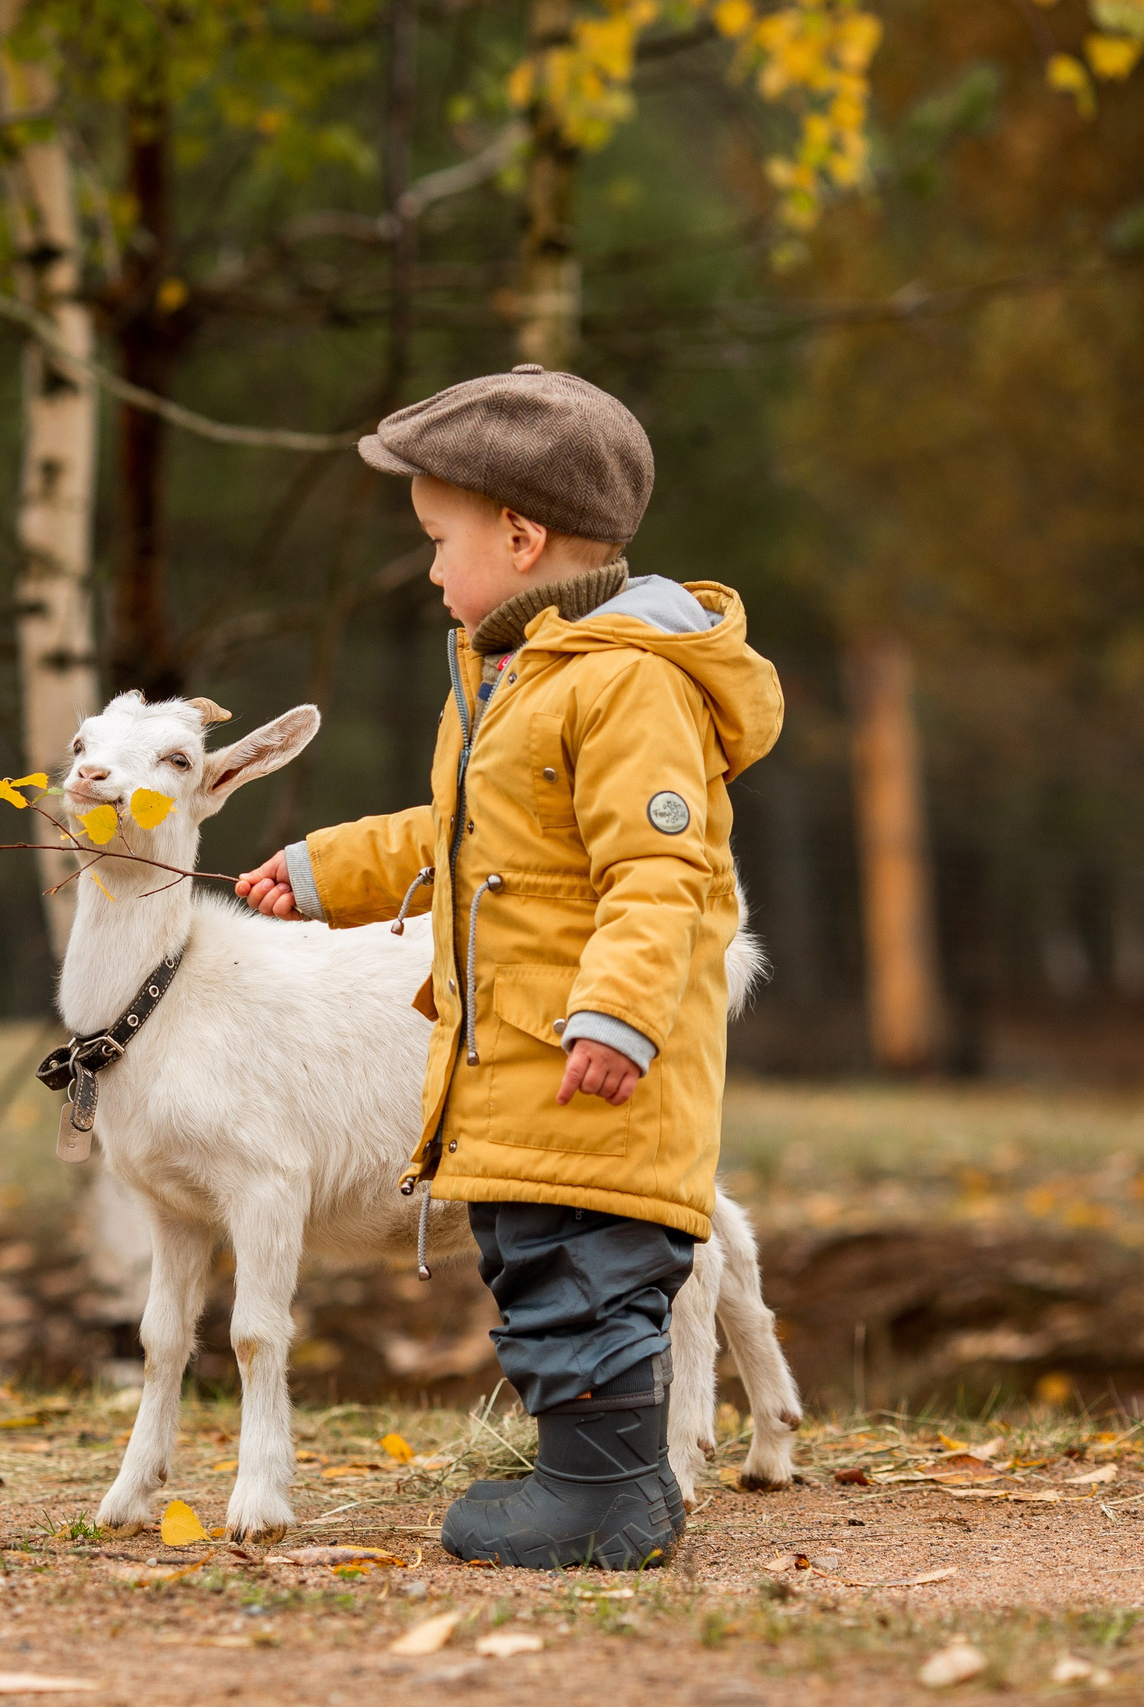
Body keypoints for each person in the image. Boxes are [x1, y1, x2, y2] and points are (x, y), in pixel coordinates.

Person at [235, 364, 783, 1569]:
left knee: (589, 1277)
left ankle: (611, 1501)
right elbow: (457, 842)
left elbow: (661, 872)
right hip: (515, 1066)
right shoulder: (506, 677)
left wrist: (619, 1018)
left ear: (521, 536)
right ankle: (596, 1479)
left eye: (440, 541)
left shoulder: (625, 684)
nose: (431, 569)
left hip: (587, 1070)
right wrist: (321, 871)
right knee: (540, 1271)